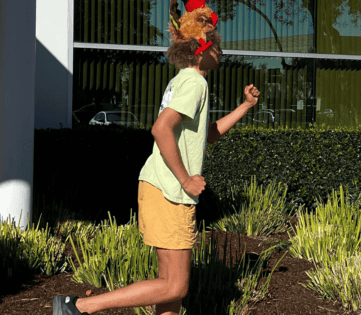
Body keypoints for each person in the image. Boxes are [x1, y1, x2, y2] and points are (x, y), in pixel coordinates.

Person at [52, 1, 260, 314]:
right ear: (199, 48)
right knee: (175, 286)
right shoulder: (195, 83)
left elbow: (209, 133)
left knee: (169, 291)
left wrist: (245, 107)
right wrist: (186, 179)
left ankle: (76, 307)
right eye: (216, 44)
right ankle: (78, 307)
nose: (221, 51)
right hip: (169, 191)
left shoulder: (182, 81)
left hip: (159, 187)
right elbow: (161, 129)